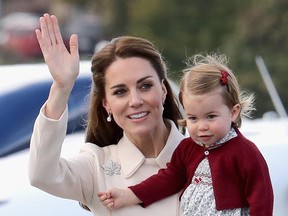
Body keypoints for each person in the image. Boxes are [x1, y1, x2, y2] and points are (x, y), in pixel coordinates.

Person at [28, 13, 186, 215]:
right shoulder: (97, 166)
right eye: (120, 92)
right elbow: (41, 175)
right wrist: (62, 87)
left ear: (163, 90)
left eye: (145, 86)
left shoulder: (205, 156)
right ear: (107, 105)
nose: (135, 101)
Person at [98, 53, 274, 215]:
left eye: (211, 117)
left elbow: (262, 198)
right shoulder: (187, 148)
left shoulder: (245, 152)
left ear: (233, 112)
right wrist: (129, 195)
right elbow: (168, 180)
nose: (202, 126)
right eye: (193, 118)